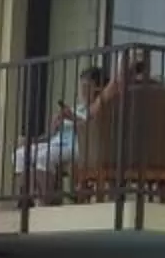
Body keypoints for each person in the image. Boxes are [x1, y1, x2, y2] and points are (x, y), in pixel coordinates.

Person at [19, 65, 106, 193]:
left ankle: (45, 199)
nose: (82, 91)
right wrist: (54, 127)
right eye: (81, 86)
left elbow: (91, 129)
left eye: (86, 86)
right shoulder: (77, 108)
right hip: (56, 144)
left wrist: (72, 118)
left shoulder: (99, 110)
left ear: (98, 88)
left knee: (44, 157)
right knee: (20, 154)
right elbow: (50, 135)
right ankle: (26, 197)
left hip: (78, 147)